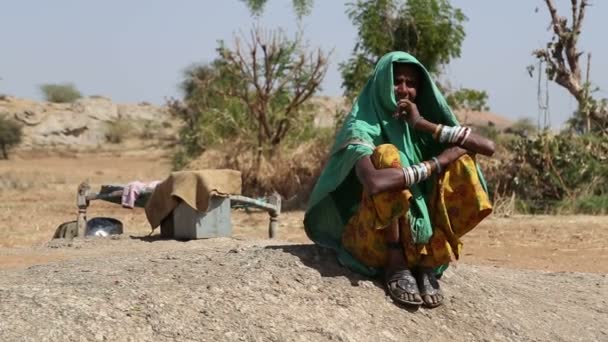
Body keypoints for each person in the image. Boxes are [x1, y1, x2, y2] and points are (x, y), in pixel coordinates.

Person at [304, 51, 494, 308]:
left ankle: (427, 259)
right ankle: (396, 265)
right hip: (375, 239)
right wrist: (436, 163)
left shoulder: (417, 123)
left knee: (462, 160)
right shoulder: (360, 126)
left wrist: (423, 125)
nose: (404, 90)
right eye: (397, 81)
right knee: (387, 155)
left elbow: (486, 146)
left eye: (412, 83)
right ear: (382, 82)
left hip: (420, 244)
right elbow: (374, 182)